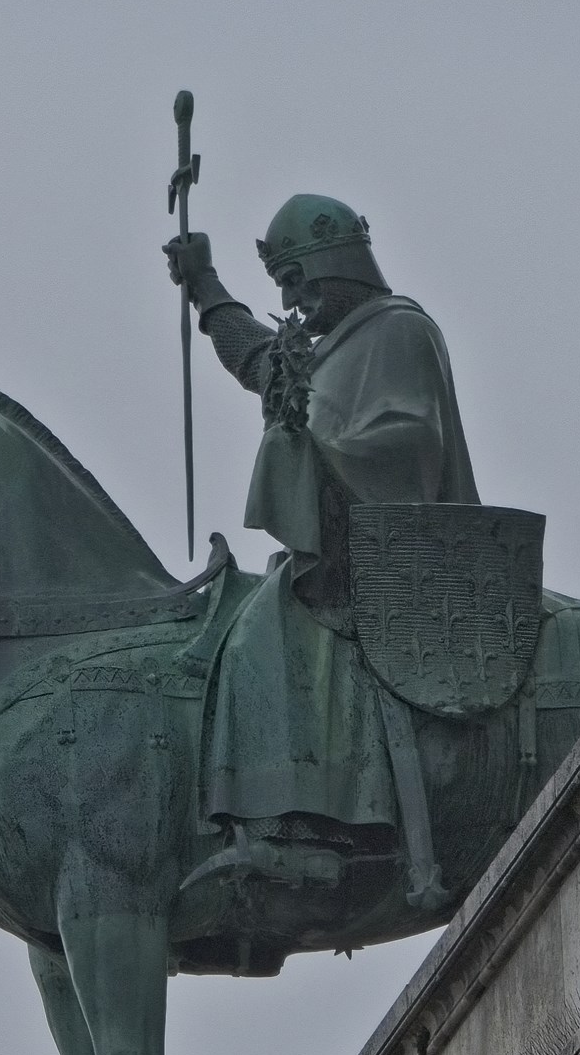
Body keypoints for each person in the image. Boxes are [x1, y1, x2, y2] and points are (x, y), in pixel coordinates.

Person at [166, 194, 478, 891]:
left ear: (334, 267)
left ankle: (311, 822)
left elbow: (411, 443)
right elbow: (260, 362)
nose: (294, 303)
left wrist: (315, 452)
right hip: (339, 547)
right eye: (282, 290)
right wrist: (205, 286)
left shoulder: (397, 331)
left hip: (395, 549)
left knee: (267, 625)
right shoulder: (329, 344)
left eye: (296, 284)